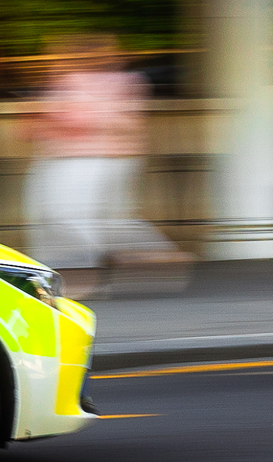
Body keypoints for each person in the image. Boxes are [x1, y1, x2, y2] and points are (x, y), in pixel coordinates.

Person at [22, 34, 189, 298]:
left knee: (76, 220)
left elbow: (79, 120)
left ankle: (146, 256)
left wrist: (50, 118)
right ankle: (152, 254)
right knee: (95, 219)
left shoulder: (88, 82)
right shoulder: (120, 82)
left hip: (90, 160)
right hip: (102, 160)